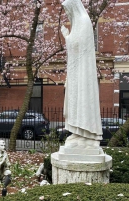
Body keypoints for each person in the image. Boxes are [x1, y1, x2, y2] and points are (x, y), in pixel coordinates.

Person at [61, 0, 102, 149]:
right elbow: (75, 46)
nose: (67, 14)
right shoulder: (78, 24)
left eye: (68, 10)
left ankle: (88, 134)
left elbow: (80, 46)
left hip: (82, 73)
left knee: (82, 99)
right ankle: (79, 132)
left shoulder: (84, 21)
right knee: (75, 101)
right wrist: (68, 37)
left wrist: (67, 37)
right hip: (76, 71)